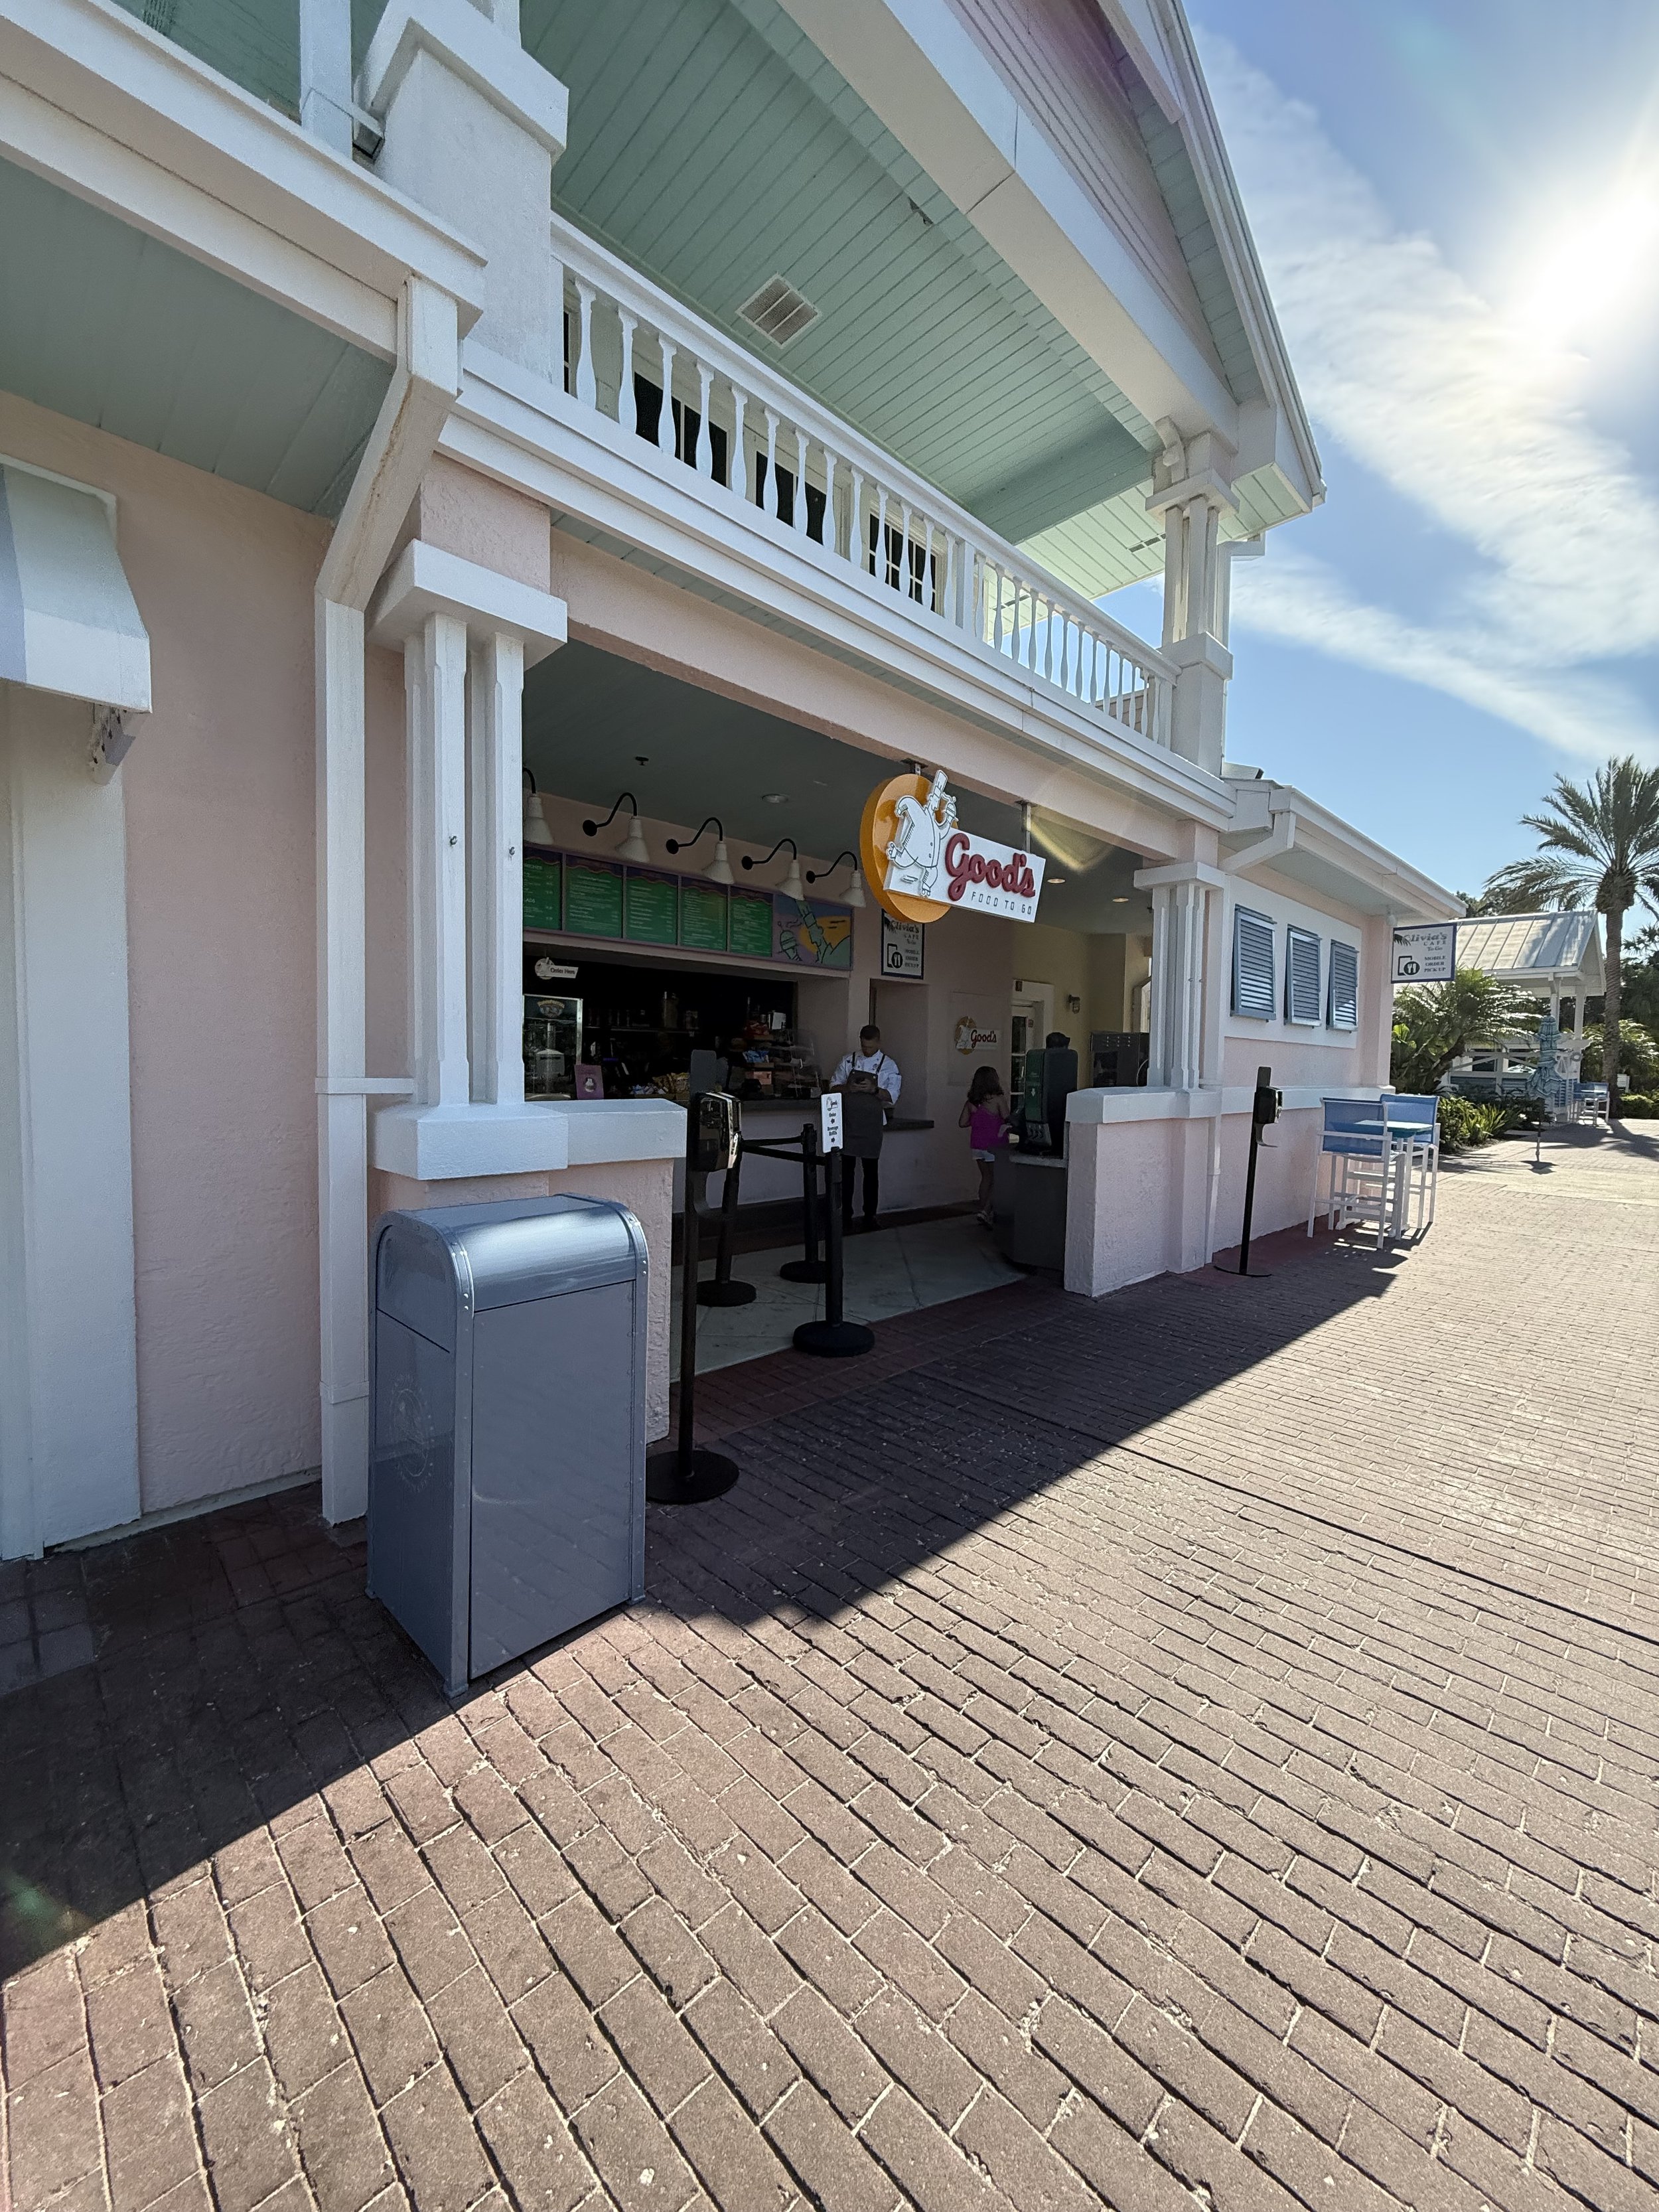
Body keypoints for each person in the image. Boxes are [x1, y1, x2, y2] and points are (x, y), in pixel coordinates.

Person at [830, 1026, 901, 1228]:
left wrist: (874, 1089)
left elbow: (893, 1095)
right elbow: (833, 1087)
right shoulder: (848, 1060)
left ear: (878, 1042)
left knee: (871, 1171)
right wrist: (848, 1088)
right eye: (864, 1046)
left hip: (872, 1124)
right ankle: (845, 1216)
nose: (867, 1050)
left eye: (870, 1047)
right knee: (847, 1171)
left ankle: (870, 1215)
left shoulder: (888, 1065)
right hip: (848, 1122)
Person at [959, 1065, 1008, 1227]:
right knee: (998, 1179)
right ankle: (986, 1211)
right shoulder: (998, 1100)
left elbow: (962, 1123)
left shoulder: (971, 1103)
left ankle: (982, 1210)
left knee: (985, 1178)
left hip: (977, 1144)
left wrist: (977, 1121)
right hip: (995, 1145)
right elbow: (1007, 1119)